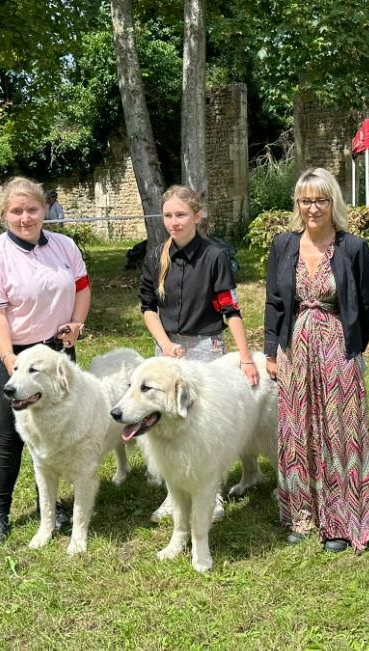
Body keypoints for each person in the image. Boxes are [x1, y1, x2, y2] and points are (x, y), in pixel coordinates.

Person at [264, 167, 369, 553]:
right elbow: (275, 302)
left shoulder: (352, 247)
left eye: (320, 200)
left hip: (338, 351)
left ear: (333, 202)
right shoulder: (284, 245)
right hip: (294, 348)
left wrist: (350, 350)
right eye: (305, 200)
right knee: (299, 432)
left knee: (338, 432)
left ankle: (339, 519)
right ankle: (302, 514)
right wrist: (271, 351)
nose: (312, 208)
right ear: (297, 204)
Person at [0, 177, 91, 547]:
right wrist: (10, 360)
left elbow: (82, 289)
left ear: (45, 210)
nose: (25, 217)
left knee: (58, 433)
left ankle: (53, 507)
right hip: (12, 353)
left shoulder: (65, 246)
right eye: (16, 211)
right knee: (9, 435)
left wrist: (77, 324)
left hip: (57, 354)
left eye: (32, 209)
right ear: (5, 214)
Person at [140, 184, 259, 524]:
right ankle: (172, 493)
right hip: (167, 348)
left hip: (206, 347)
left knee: (204, 425)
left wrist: (246, 358)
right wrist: (164, 344)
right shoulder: (155, 256)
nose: (174, 222)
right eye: (168, 216)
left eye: (181, 215)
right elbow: (148, 308)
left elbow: (230, 309)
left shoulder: (213, 257)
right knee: (165, 422)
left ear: (197, 215)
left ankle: (213, 493)